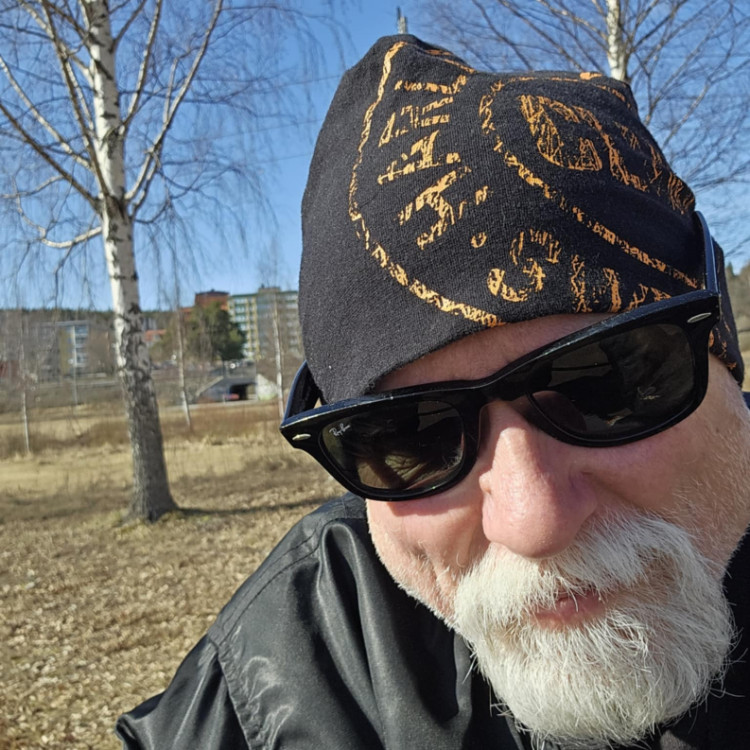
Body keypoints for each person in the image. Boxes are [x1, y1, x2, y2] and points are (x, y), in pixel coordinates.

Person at [116, 35, 750, 750]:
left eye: (609, 383)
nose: (533, 523)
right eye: (411, 436)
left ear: (723, 355)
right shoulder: (289, 669)